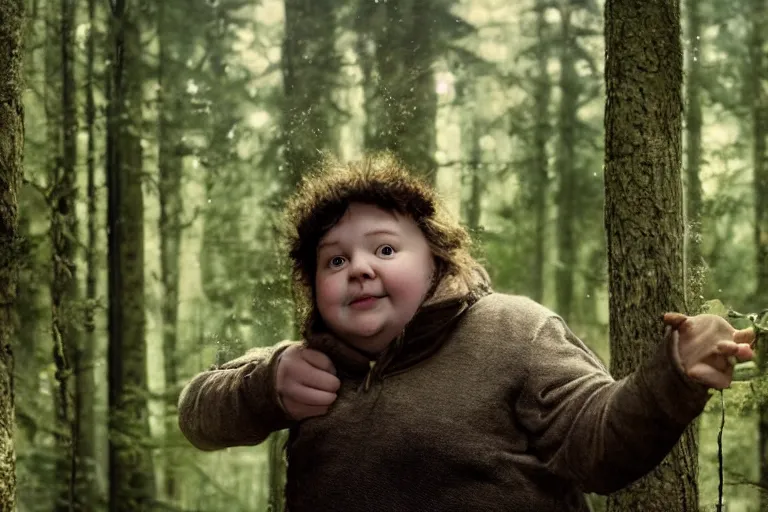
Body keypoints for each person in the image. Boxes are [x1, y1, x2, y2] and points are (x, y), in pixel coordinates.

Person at [178, 153, 755, 512]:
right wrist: (267, 386)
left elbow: (596, 442)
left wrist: (671, 376)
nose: (358, 268)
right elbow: (198, 415)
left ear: (436, 260)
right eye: (334, 261)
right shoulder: (307, 363)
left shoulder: (512, 330)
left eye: (384, 248)